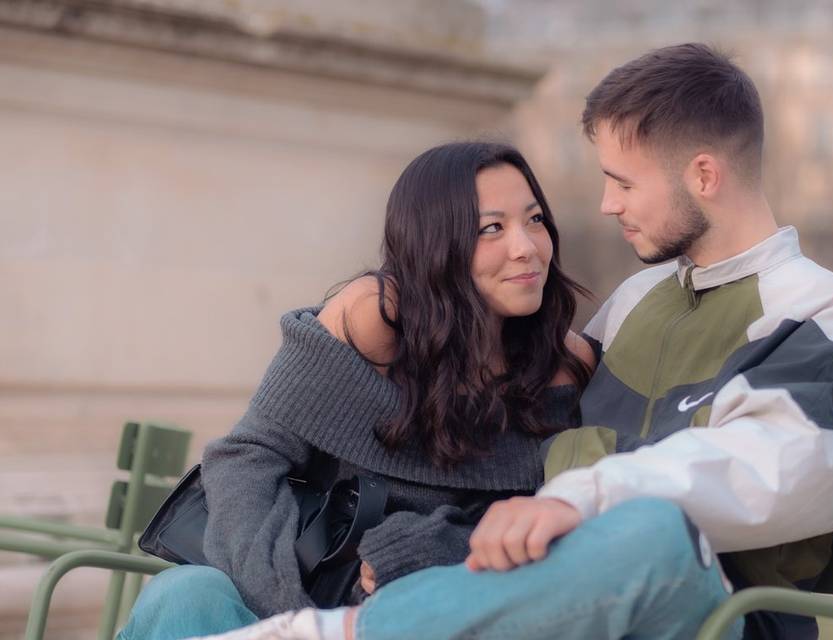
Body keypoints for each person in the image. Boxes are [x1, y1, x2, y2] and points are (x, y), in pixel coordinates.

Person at [186, 43, 833, 640]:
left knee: (652, 533)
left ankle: (339, 634)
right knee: (185, 600)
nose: (605, 205)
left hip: (710, 612)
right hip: (561, 609)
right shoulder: (634, 307)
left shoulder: (827, 315)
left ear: (704, 176)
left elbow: (777, 474)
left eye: (622, 182)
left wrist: (585, 499)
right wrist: (453, 539)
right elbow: (516, 459)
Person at [118, 141, 596, 639]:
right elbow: (247, 457)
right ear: (436, 243)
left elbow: (571, 529)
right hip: (295, 598)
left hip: (438, 617)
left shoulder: (565, 367)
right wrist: (293, 619)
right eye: (491, 228)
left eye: (535, 219)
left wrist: (442, 546)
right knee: (184, 597)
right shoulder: (376, 318)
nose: (526, 247)